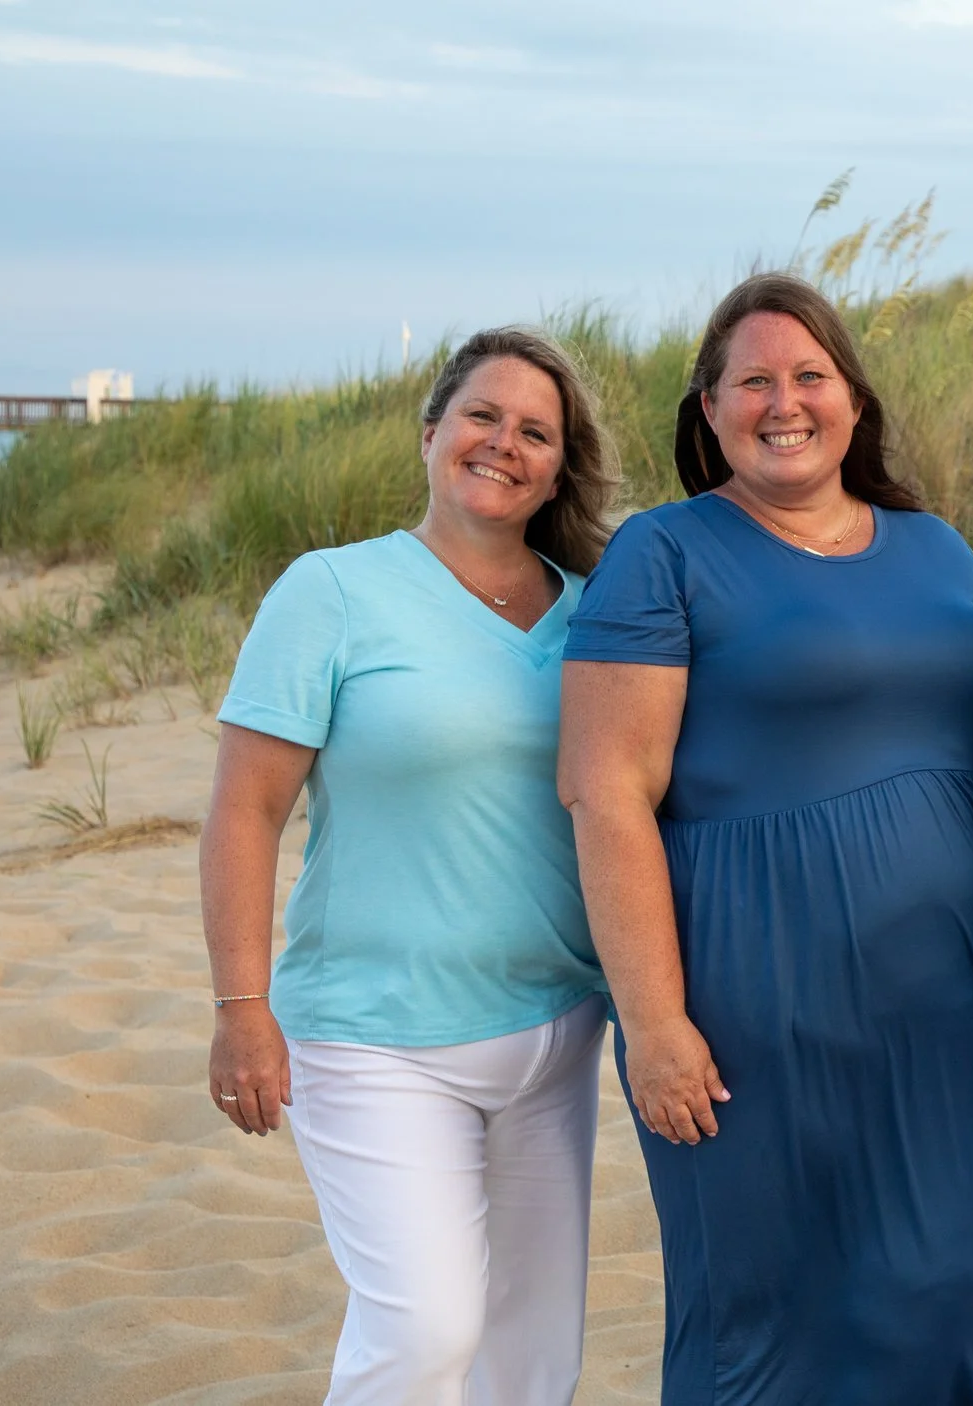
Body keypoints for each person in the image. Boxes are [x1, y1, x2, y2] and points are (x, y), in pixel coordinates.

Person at [556, 272, 973, 1404]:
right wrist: (651, 1024)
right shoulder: (665, 551)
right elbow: (606, 794)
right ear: (708, 408)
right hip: (753, 1015)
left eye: (809, 376)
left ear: (851, 399)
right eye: (753, 381)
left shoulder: (937, 547)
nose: (782, 402)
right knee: (778, 1316)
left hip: (952, 1004)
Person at [201, 326, 619, 1403]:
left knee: (533, 1359)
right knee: (426, 1328)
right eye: (483, 415)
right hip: (373, 1032)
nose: (504, 443)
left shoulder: (598, 611)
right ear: (432, 430)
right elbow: (246, 809)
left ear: (558, 467)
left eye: (537, 432)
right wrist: (240, 1003)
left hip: (556, 1031)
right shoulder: (332, 591)